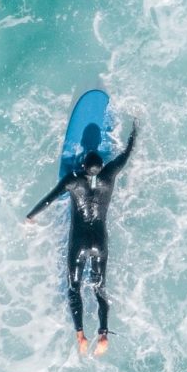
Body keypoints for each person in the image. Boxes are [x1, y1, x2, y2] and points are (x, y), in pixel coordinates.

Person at [26, 121, 138, 355]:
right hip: (99, 243)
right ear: (101, 167)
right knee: (99, 288)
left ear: (83, 165)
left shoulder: (72, 180)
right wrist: (135, 128)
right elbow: (126, 154)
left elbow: (50, 199)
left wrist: (31, 217)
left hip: (79, 244)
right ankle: (103, 334)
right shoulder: (109, 175)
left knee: (74, 288)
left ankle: (81, 336)